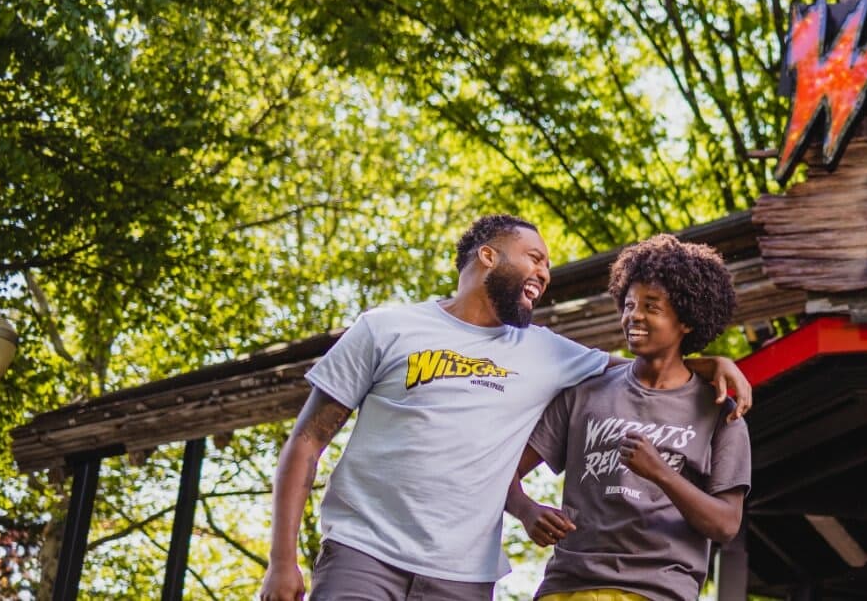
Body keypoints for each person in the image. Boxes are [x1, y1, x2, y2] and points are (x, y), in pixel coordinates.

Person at [258, 216, 752, 601]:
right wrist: (282, 560)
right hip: (363, 556)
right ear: (489, 256)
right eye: (534, 258)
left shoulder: (549, 352)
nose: (544, 273)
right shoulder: (386, 328)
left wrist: (713, 362)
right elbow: (306, 443)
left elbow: (644, 363)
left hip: (464, 578)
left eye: (548, 267)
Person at [507, 234, 750, 601]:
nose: (634, 315)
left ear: (685, 320)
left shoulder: (719, 413)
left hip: (657, 591)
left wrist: (661, 474)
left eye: (652, 307)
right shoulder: (584, 391)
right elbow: (503, 470)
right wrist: (527, 511)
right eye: (629, 304)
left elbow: (726, 525)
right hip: (568, 586)